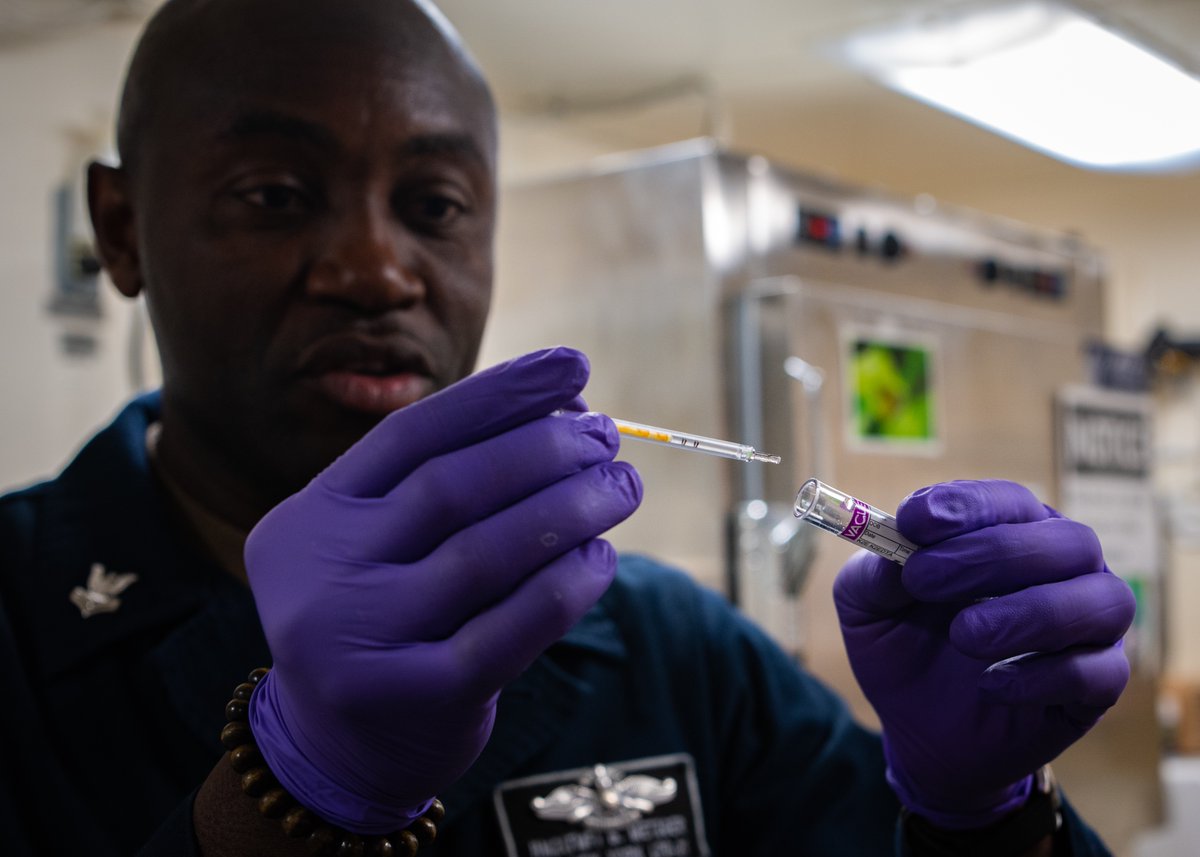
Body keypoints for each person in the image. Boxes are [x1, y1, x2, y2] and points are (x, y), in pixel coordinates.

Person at [0, 1, 1136, 855]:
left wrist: (981, 813)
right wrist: (287, 793)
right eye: (276, 193)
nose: (376, 269)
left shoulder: (670, 648)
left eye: (435, 206)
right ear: (122, 227)